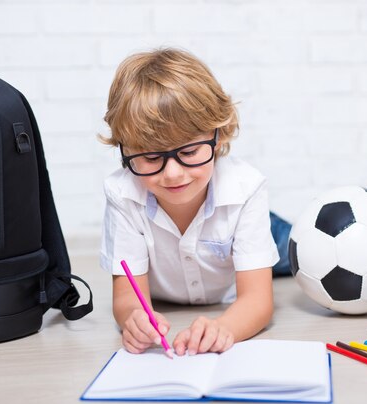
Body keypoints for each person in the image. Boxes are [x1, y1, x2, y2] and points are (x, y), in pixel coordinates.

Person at [98, 47, 291, 357]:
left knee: (300, 251)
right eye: (150, 157)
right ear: (125, 150)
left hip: (251, 226)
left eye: (188, 153)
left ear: (219, 136)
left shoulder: (247, 187)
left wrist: (224, 328)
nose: (173, 174)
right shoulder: (122, 194)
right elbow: (126, 300)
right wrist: (133, 318)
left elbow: (258, 301)